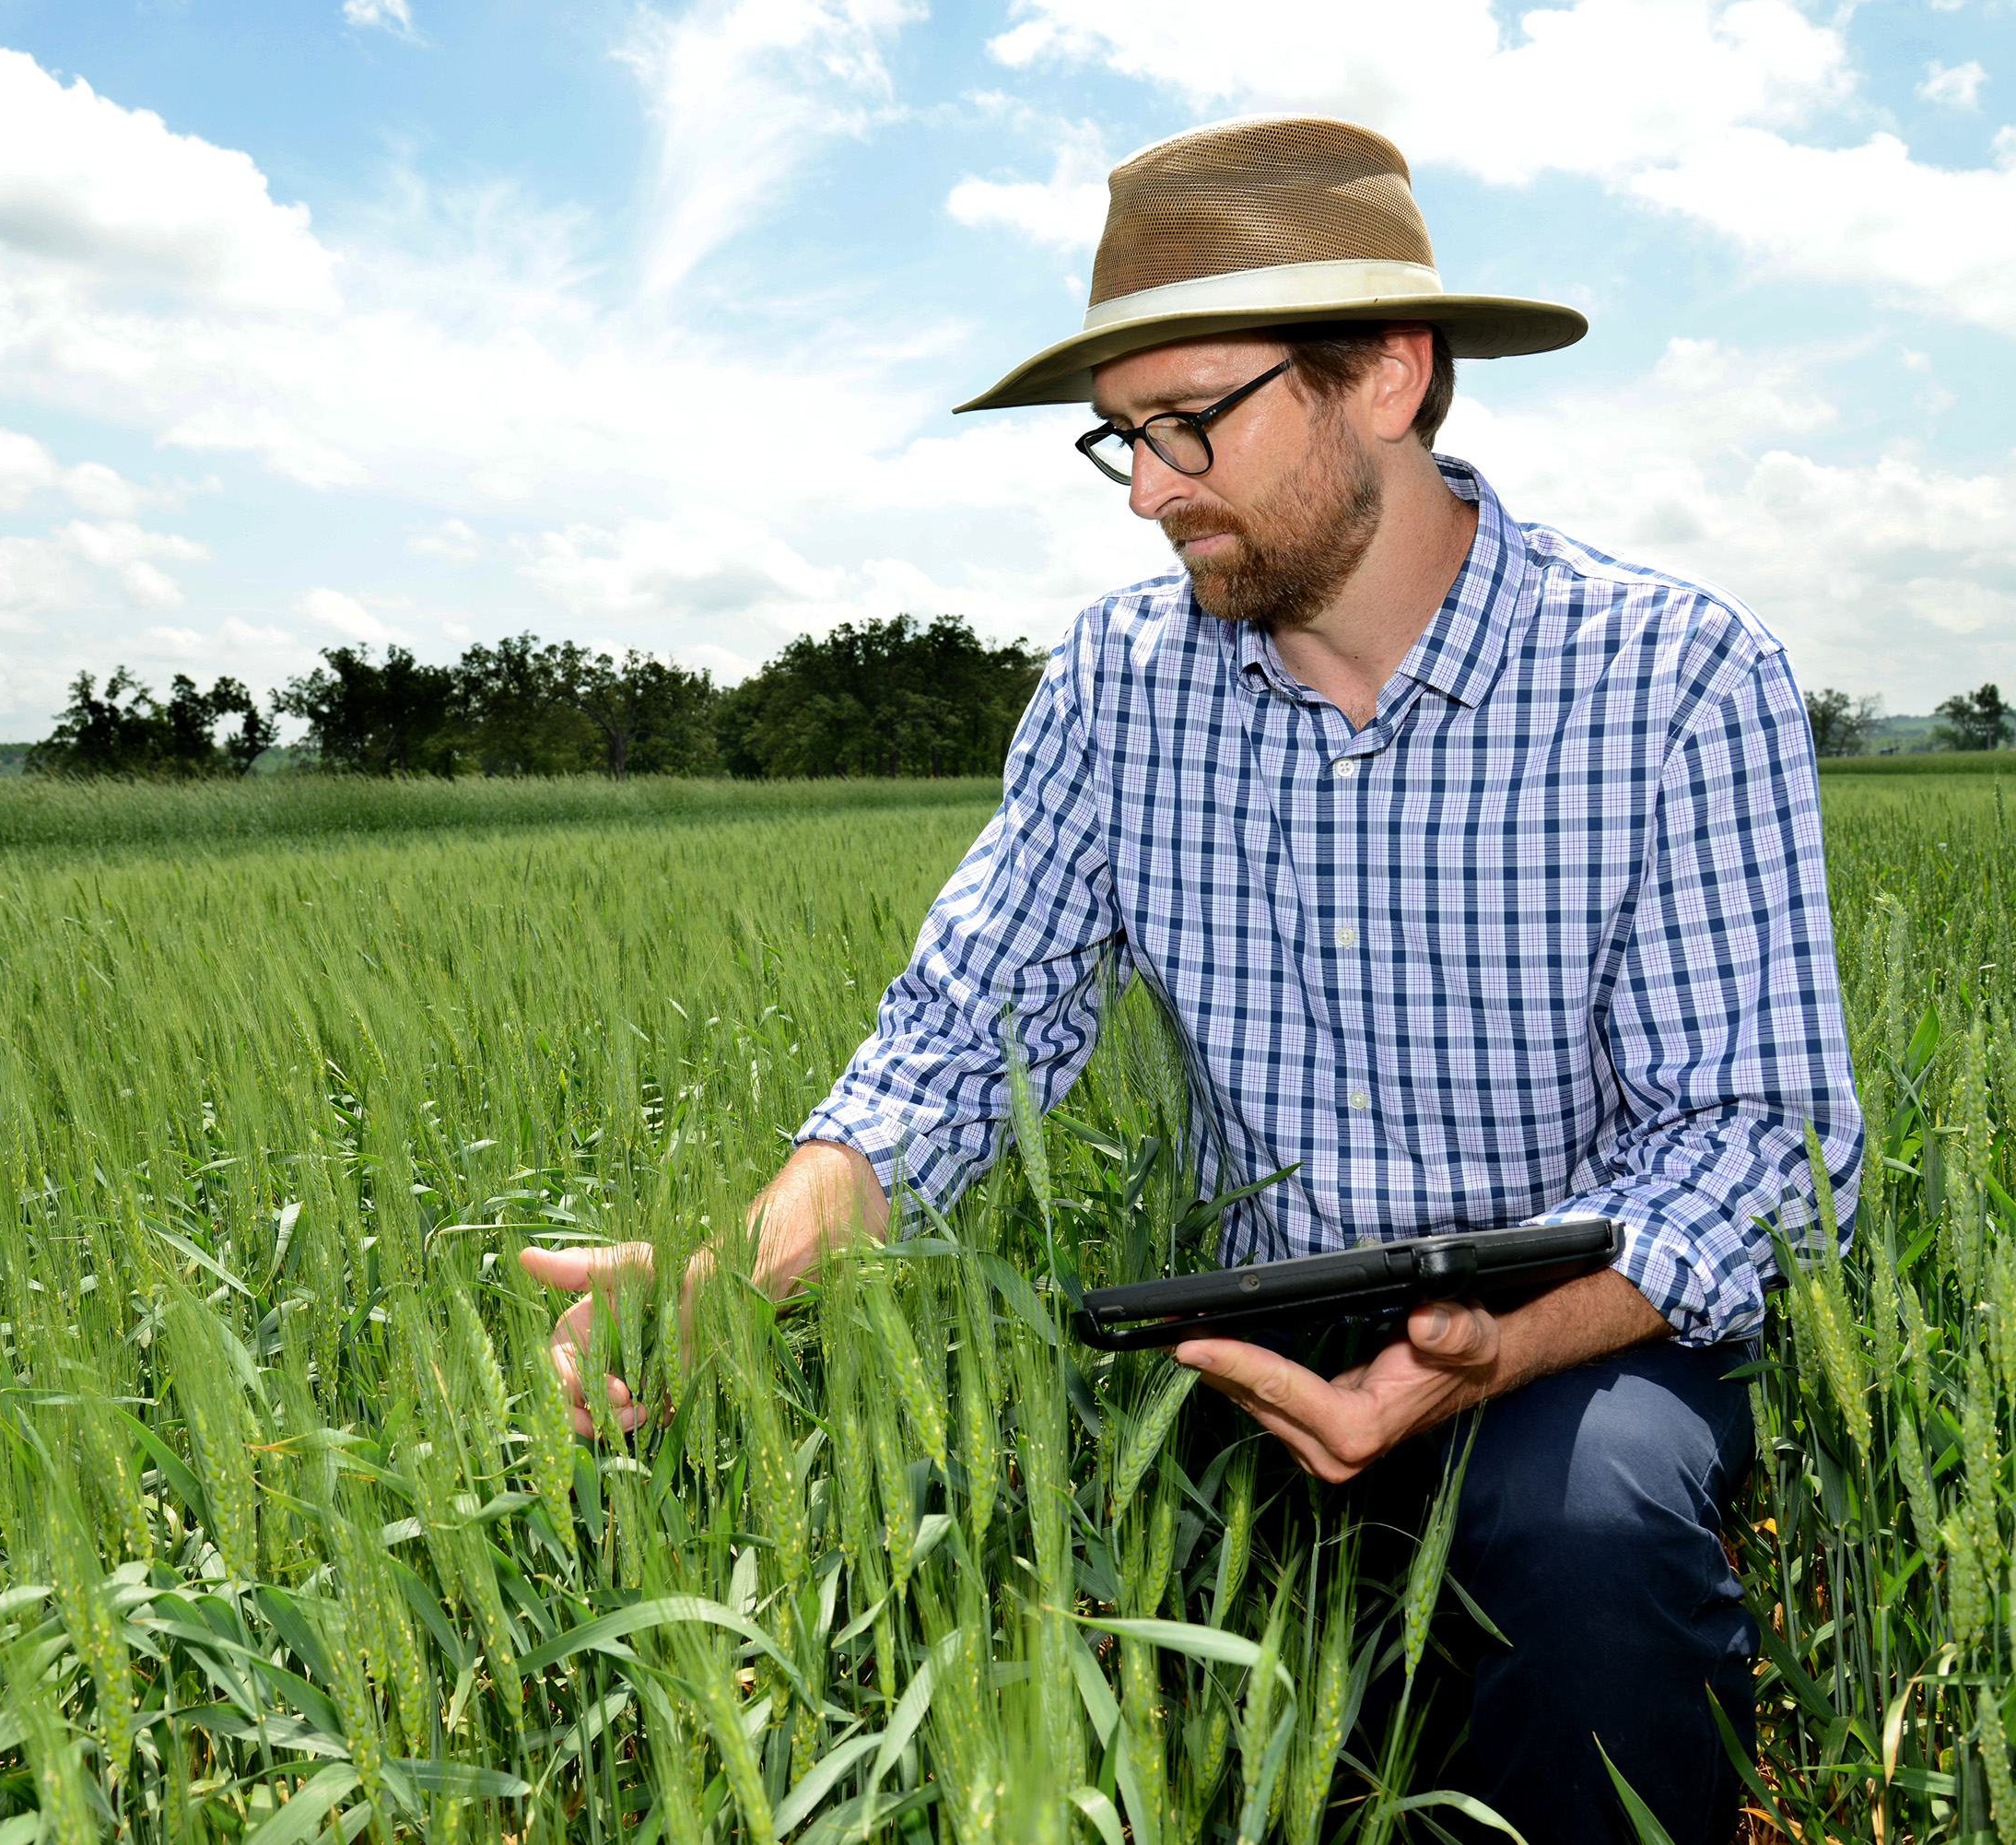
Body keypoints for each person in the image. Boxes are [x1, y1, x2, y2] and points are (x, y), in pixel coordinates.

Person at [523, 115, 1862, 1843]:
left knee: (1589, 1537)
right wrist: (729, 1274)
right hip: (1242, 1340)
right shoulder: (1117, 685)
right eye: (1123, 440)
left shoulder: (1675, 677)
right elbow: (952, 1048)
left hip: (1578, 1338)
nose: (1150, 489)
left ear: (1388, 374)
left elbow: (1762, 1146)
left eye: (1189, 426)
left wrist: (1486, 1348)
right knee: (960, 1506)